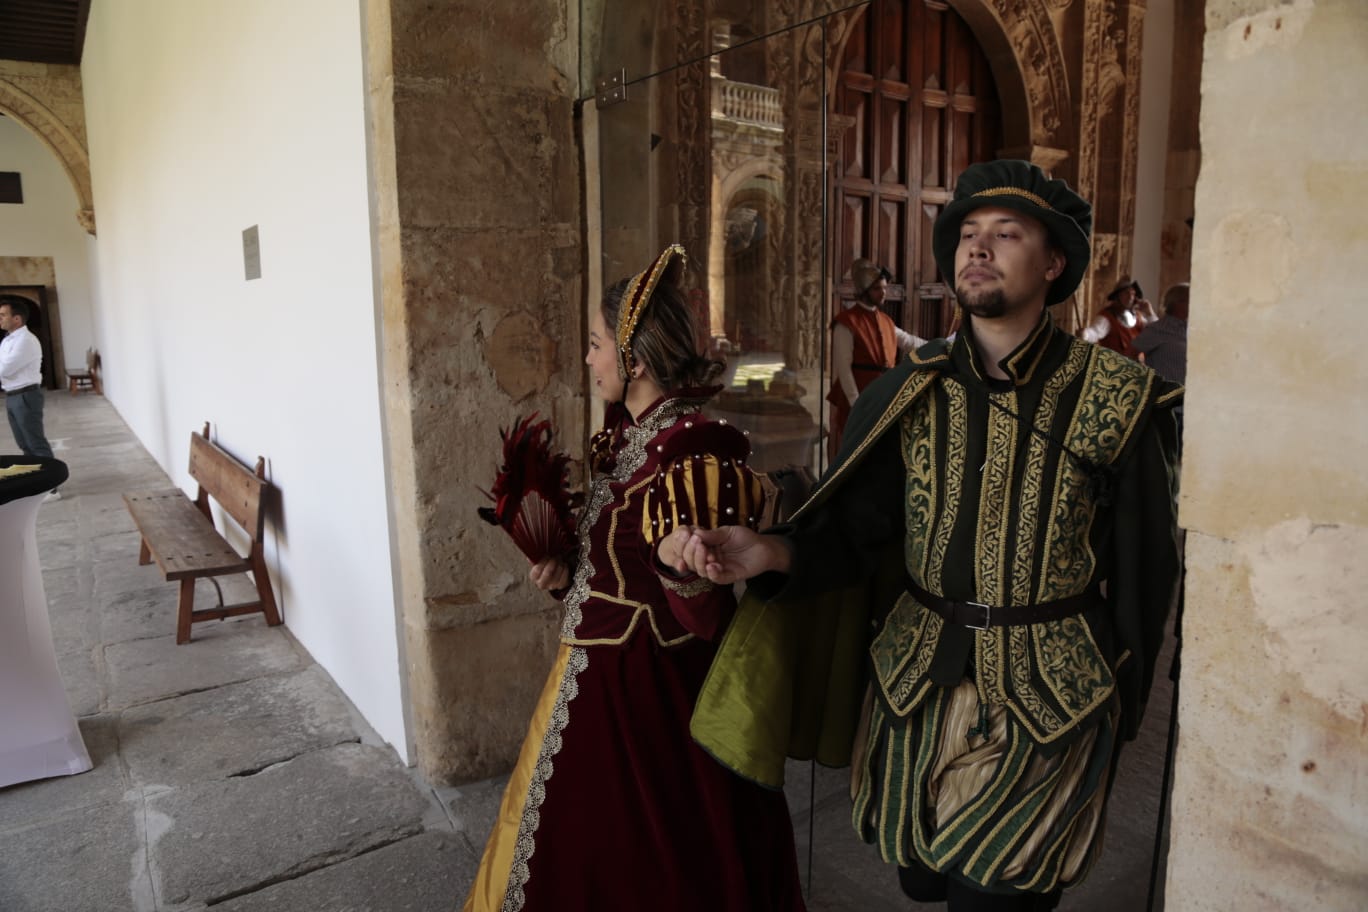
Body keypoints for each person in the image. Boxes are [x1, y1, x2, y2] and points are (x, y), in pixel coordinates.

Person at [677, 161, 1183, 911]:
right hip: (915, 686)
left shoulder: (1118, 398)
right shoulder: (910, 388)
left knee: (995, 897)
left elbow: (1146, 571)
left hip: (1047, 699)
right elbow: (860, 528)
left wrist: (1123, 699)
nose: (978, 247)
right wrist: (775, 551)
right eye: (968, 233)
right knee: (923, 881)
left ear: (1054, 264)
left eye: (1006, 234)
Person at [463, 245, 805, 912]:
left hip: (644, 697)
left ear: (636, 360)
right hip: (596, 676)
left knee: (644, 863)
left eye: (596, 345)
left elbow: (700, 610)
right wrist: (566, 575)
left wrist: (684, 563)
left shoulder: (689, 446)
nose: (589, 360)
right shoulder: (630, 438)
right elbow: (618, 567)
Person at [827, 259, 925, 458]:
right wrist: (857, 405)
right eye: (877, 289)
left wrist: (944, 344)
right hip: (860, 397)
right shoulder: (846, 322)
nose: (883, 293)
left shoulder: (885, 320)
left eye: (884, 288)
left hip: (884, 396)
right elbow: (844, 369)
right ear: (864, 291)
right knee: (856, 453)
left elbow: (908, 341)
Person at [0, 296, 60, 502]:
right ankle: (36, 483)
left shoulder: (25, 340)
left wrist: (3, 370)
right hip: (12, 395)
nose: (0, 318)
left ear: (16, 319)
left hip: (26, 395)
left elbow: (5, 369)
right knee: (24, 443)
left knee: (36, 443)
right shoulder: (8, 340)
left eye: (3, 315)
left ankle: (51, 488)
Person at [1079, 276, 1158, 356]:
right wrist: (1086, 334)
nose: (1130, 297)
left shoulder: (1139, 317)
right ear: (1118, 296)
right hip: (1114, 362)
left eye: (1133, 294)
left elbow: (1156, 333)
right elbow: (1095, 332)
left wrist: (1150, 313)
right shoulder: (1107, 316)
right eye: (1126, 293)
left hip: (1136, 363)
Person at [1131, 282, 1189, 385]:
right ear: (1178, 303)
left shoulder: (1190, 329)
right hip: (1168, 392)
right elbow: (1129, 355)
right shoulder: (1158, 329)